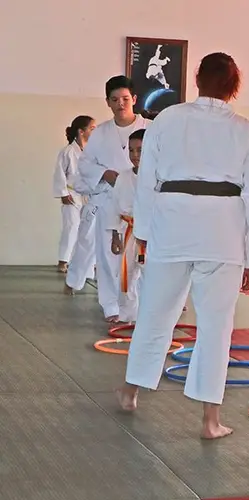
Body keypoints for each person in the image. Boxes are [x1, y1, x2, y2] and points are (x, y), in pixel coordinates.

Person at [116, 53, 249, 440]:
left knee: (155, 313)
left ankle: (130, 391)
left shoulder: (166, 120)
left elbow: (147, 181)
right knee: (216, 326)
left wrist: (146, 235)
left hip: (172, 224)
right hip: (223, 231)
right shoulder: (246, 131)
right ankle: (210, 420)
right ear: (235, 85)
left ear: (197, 79)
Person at [67, 76, 147, 317]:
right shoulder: (100, 132)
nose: (120, 104)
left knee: (144, 263)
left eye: (125, 99)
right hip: (110, 201)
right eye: (114, 100)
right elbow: (85, 164)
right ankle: (111, 307)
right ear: (108, 103)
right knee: (108, 258)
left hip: (144, 206)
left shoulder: (152, 128)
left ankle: (142, 308)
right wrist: (105, 173)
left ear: (133, 99)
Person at [100, 129, 146, 323]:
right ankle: (127, 314)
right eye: (131, 150)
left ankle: (149, 317)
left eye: (140, 150)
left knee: (152, 276)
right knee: (126, 274)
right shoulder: (123, 177)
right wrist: (115, 235)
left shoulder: (158, 176)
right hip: (129, 230)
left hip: (153, 234)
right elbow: (114, 207)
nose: (134, 155)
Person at [53, 115, 95, 273]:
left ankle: (85, 263)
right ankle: (63, 260)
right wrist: (63, 193)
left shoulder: (91, 152)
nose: (94, 132)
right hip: (71, 195)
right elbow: (59, 173)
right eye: (92, 128)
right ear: (81, 131)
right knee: (71, 227)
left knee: (88, 229)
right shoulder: (68, 151)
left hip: (87, 195)